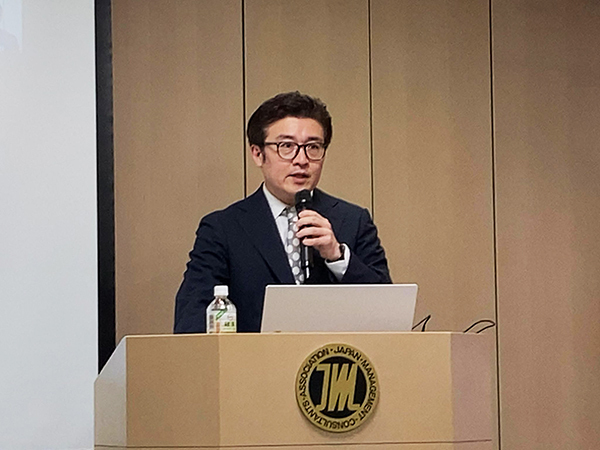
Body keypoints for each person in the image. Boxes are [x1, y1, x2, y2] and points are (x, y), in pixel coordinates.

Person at [174, 92, 391, 333]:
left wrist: (337, 256)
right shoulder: (222, 229)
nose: (302, 160)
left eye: (313, 147)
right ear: (257, 154)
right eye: (286, 146)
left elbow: (388, 312)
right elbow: (191, 319)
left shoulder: (353, 220)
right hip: (254, 356)